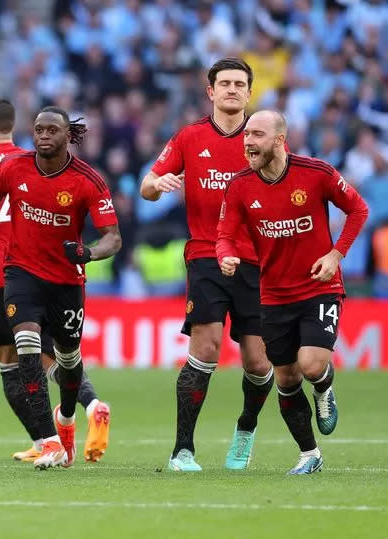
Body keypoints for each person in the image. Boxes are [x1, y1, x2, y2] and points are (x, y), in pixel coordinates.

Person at [0, 107, 121, 469]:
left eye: (52, 130)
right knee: (26, 345)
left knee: (68, 359)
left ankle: (67, 422)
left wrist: (88, 253)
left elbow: (113, 238)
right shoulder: (15, 167)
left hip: (66, 280)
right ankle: (49, 442)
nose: (43, 135)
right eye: (39, 129)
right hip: (20, 273)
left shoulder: (88, 180)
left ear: (67, 136)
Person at [139, 57, 274, 472]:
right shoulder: (188, 137)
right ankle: (183, 450)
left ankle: (245, 430)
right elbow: (146, 185)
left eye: (240, 84)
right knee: (206, 349)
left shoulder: (266, 140)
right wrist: (157, 185)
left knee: (258, 361)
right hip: (205, 254)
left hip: (257, 261)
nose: (232, 89)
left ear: (249, 93)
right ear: (210, 91)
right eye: (225, 83)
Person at [217, 110, 368, 474]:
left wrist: (336, 254)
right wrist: (225, 255)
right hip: (273, 295)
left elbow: (358, 209)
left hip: (319, 286)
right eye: (246, 135)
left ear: (280, 140)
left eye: (257, 134)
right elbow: (224, 234)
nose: (248, 141)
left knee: (312, 365)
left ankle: (323, 388)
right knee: (285, 378)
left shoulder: (316, 173)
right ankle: (309, 454)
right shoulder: (239, 185)